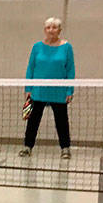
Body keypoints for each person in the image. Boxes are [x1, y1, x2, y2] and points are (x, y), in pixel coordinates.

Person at [21, 16, 75, 160]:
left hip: (58, 91)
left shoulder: (67, 47)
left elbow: (70, 70)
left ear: (59, 30)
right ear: (45, 30)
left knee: (62, 121)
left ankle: (65, 148)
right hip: (38, 90)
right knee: (33, 120)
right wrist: (28, 87)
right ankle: (27, 147)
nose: (51, 30)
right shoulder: (37, 47)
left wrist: (70, 90)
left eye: (54, 27)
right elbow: (30, 67)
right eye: (48, 27)